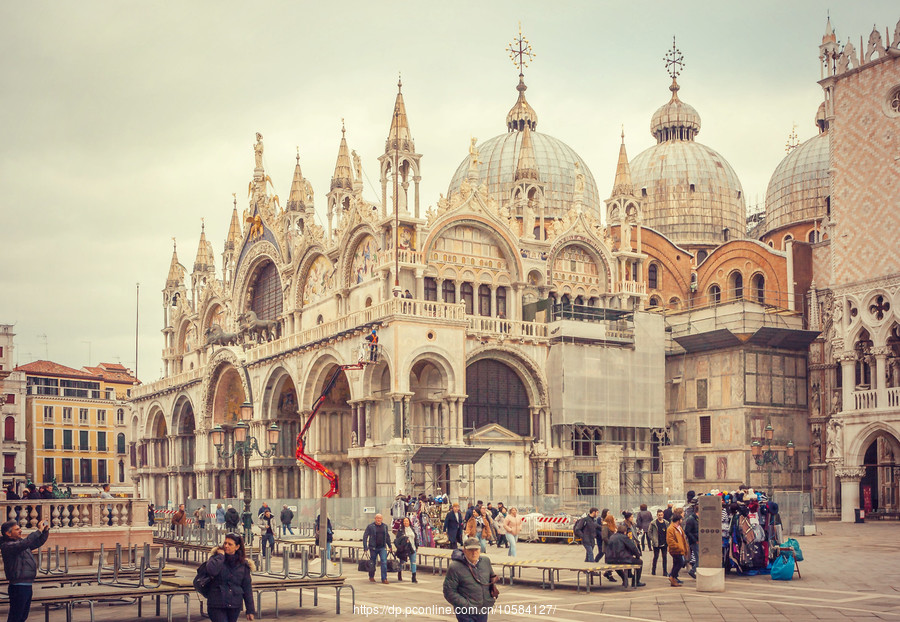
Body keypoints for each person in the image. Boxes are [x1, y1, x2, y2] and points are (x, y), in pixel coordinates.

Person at [1, 519, 50, 622]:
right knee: (16, 617)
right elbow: (25, 542)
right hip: (18, 586)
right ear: (8, 533)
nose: (20, 531)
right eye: (17, 529)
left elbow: (38, 541)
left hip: (27, 584)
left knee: (23, 616)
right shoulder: (7, 546)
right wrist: (38, 531)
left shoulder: (21, 543)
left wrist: (45, 531)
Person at [442, 537, 498, 622]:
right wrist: (466, 605)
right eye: (470, 550)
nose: (474, 553)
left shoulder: (485, 561)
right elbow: (449, 591)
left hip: (483, 610)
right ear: (464, 550)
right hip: (465, 612)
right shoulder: (455, 567)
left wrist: (490, 599)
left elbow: (491, 579)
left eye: (476, 550)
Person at [206, 532, 256, 622]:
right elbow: (211, 570)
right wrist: (221, 556)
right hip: (217, 603)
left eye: (230, 544)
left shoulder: (243, 565)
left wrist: (250, 610)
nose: (226, 546)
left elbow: (247, 588)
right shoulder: (216, 558)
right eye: (225, 543)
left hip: (234, 604)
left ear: (237, 547)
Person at [605, 524, 644, 589]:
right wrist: (638, 556)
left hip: (610, 559)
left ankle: (624, 579)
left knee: (616, 566)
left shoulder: (612, 537)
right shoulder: (624, 537)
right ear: (625, 532)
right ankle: (636, 582)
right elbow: (633, 547)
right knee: (640, 562)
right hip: (621, 558)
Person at [362, 513, 392, 584]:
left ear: (382, 519)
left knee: (384, 562)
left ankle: (384, 578)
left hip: (382, 547)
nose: (378, 519)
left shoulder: (385, 526)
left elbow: (387, 537)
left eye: (380, 518)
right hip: (373, 548)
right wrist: (365, 547)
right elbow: (365, 536)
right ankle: (371, 576)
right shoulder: (370, 526)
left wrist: (390, 546)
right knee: (373, 562)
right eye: (377, 518)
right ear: (375, 519)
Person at [666, 513, 689, 587]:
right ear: (678, 520)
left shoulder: (679, 527)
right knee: (680, 563)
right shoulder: (671, 528)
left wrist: (685, 548)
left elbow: (683, 539)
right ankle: (672, 576)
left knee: (677, 563)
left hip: (680, 549)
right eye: (681, 519)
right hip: (675, 550)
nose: (682, 520)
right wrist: (678, 547)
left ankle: (673, 578)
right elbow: (670, 540)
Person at [394, 516, 418, 583]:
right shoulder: (401, 530)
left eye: (407, 521)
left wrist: (416, 546)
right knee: (402, 562)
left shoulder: (412, 529)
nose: (406, 522)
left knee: (413, 562)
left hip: (412, 548)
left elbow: (415, 537)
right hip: (404, 548)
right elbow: (398, 539)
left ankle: (414, 577)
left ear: (409, 522)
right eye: (404, 521)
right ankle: (399, 573)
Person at [596, 509, 617, 583]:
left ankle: (607, 573)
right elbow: (604, 536)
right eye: (608, 513)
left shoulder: (611, 525)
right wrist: (610, 543)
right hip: (607, 545)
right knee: (606, 558)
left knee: (609, 560)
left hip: (610, 546)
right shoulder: (604, 524)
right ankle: (609, 574)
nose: (609, 514)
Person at [649, 509, 670, 576]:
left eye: (661, 515)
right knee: (656, 557)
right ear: (657, 515)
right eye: (659, 515)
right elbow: (649, 532)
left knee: (664, 557)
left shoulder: (666, 523)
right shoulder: (653, 523)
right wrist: (653, 539)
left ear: (663, 515)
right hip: (656, 543)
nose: (660, 516)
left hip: (664, 542)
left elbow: (668, 532)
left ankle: (665, 571)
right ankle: (653, 570)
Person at [684, 502, 700, 579]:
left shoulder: (696, 519)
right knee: (698, 558)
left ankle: (693, 570)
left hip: (697, 540)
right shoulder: (691, 519)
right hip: (694, 541)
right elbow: (687, 531)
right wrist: (694, 540)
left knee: (698, 557)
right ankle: (692, 571)